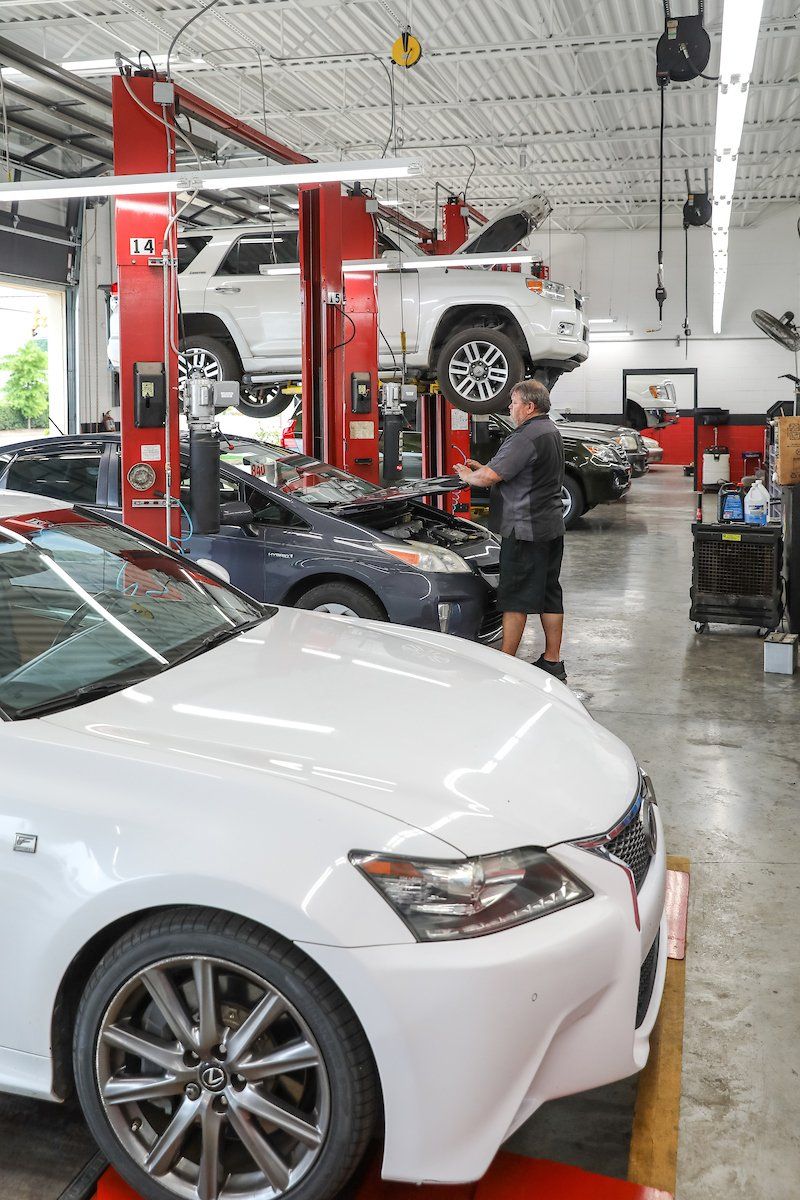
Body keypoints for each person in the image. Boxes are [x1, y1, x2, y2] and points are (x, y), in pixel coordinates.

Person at [454, 379, 567, 680]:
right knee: (549, 594)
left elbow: (489, 477)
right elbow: (519, 471)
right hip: (550, 526)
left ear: (529, 406)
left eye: (514, 402)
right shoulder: (550, 430)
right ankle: (553, 661)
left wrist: (469, 475)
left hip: (524, 529)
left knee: (514, 597)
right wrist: (485, 469)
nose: (510, 407)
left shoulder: (525, 435)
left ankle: (506, 667)